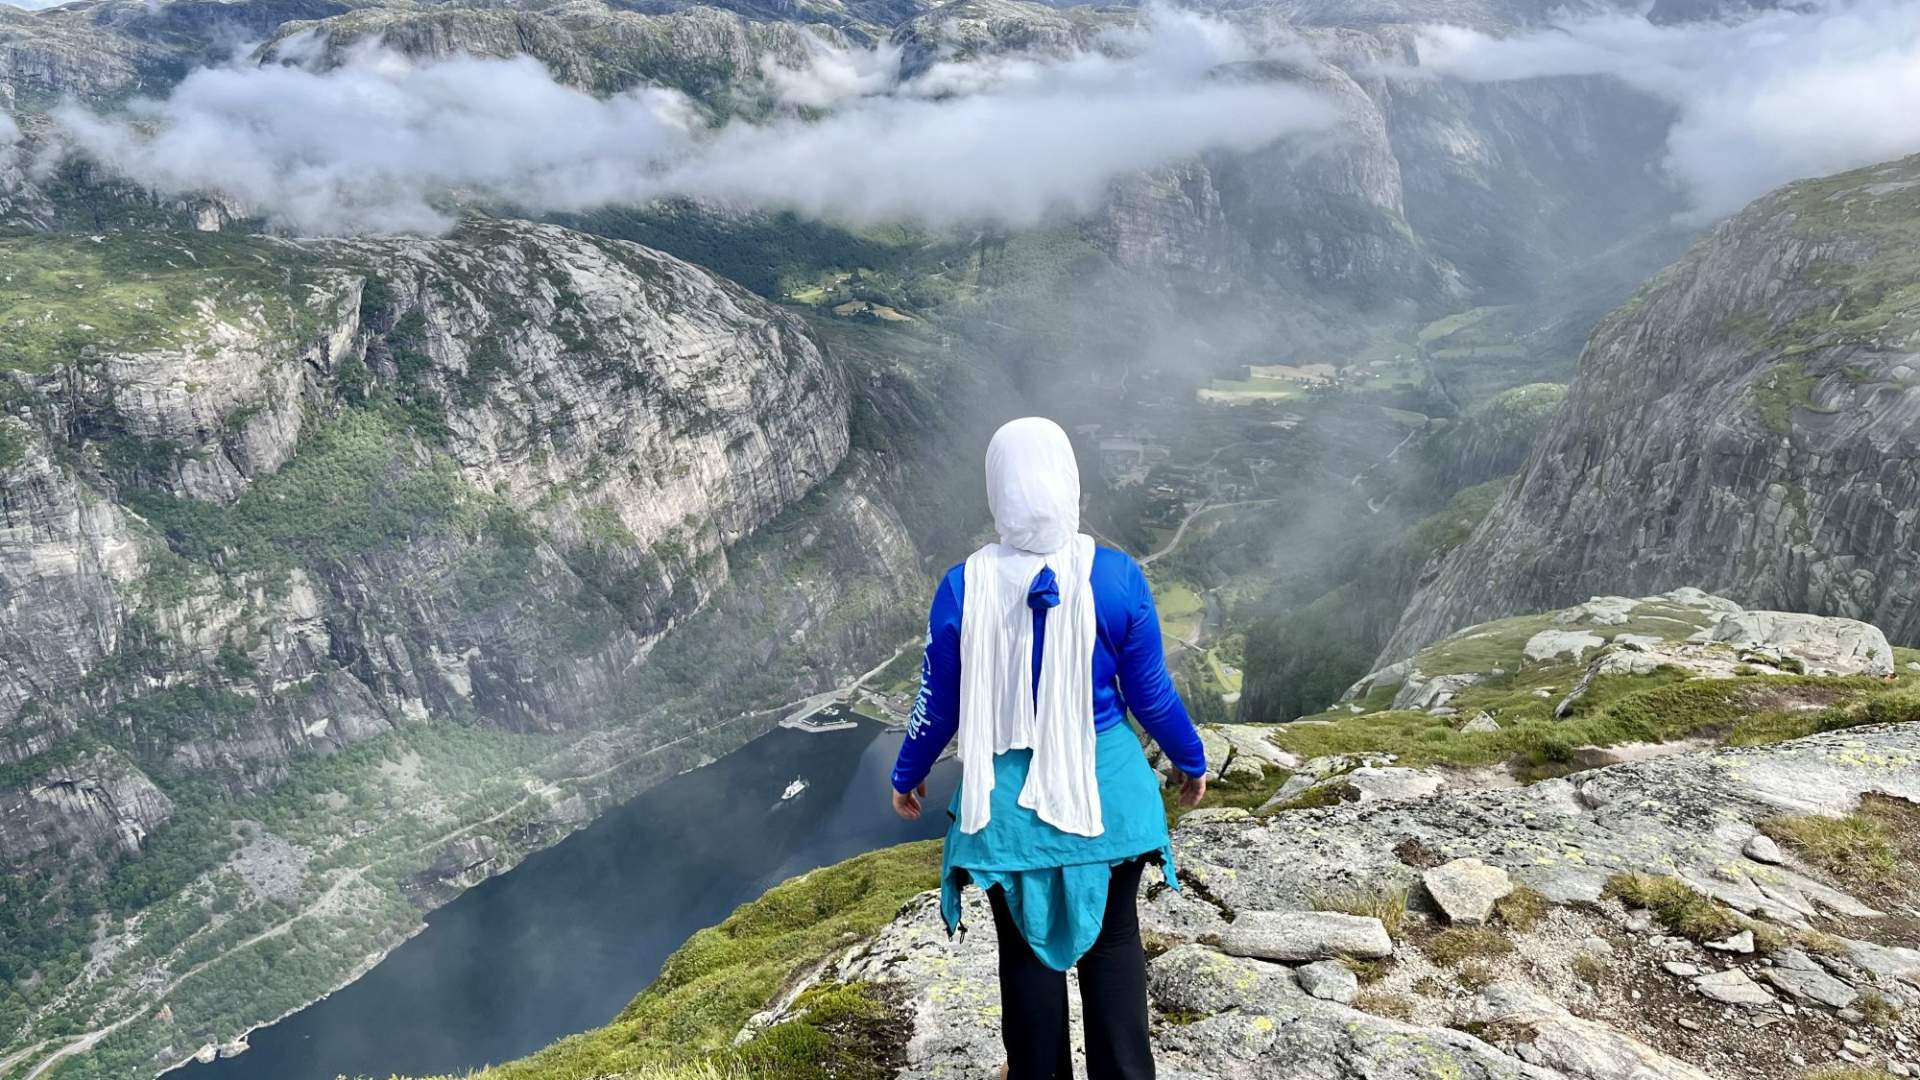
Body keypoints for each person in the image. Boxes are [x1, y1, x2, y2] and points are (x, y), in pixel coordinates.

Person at [889, 416, 1210, 1080]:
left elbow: (937, 704)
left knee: (1026, 960)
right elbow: (1151, 695)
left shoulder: (963, 587)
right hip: (1109, 802)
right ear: (1068, 482)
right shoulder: (1116, 577)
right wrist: (1191, 761)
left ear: (997, 487)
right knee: (1115, 943)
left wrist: (907, 774)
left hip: (1006, 812)